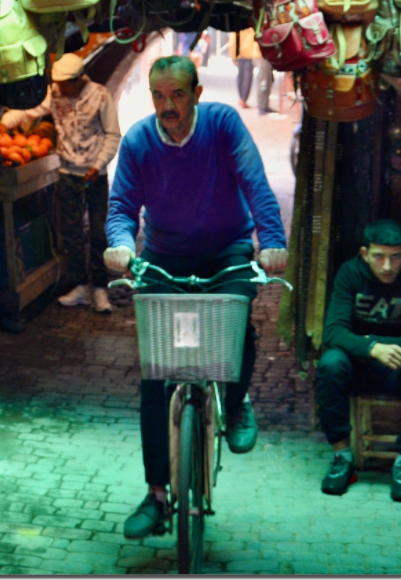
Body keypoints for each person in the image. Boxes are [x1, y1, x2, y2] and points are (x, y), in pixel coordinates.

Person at [103, 55, 288, 539]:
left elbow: (255, 183)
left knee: (237, 319)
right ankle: (157, 495)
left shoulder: (223, 126)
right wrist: (121, 244)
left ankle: (237, 395)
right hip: (165, 255)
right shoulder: (140, 140)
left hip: (226, 250)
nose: (168, 106)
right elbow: (121, 205)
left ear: (197, 94)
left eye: (177, 95)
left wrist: (272, 242)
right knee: (156, 372)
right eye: (159, 96)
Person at [317, 219, 401, 503]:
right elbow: (333, 331)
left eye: (396, 256)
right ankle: (342, 458)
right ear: (365, 254)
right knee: (330, 363)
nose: (388, 266)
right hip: (360, 364)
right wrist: (372, 347)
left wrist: (386, 348)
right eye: (379, 256)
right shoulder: (350, 273)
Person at [0, 53, 121, 313]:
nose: (60, 89)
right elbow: (31, 110)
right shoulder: (54, 93)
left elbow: (112, 134)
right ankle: (78, 285)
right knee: (72, 232)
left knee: (99, 232)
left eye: (65, 84)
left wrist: (98, 165)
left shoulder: (100, 96)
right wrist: (6, 121)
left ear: (78, 80)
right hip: (67, 174)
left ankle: (99, 288)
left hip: (93, 176)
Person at [229, 28, 274, 115]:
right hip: (245, 53)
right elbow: (234, 40)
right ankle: (244, 100)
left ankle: (243, 99)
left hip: (249, 53)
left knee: (245, 77)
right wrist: (234, 55)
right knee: (245, 78)